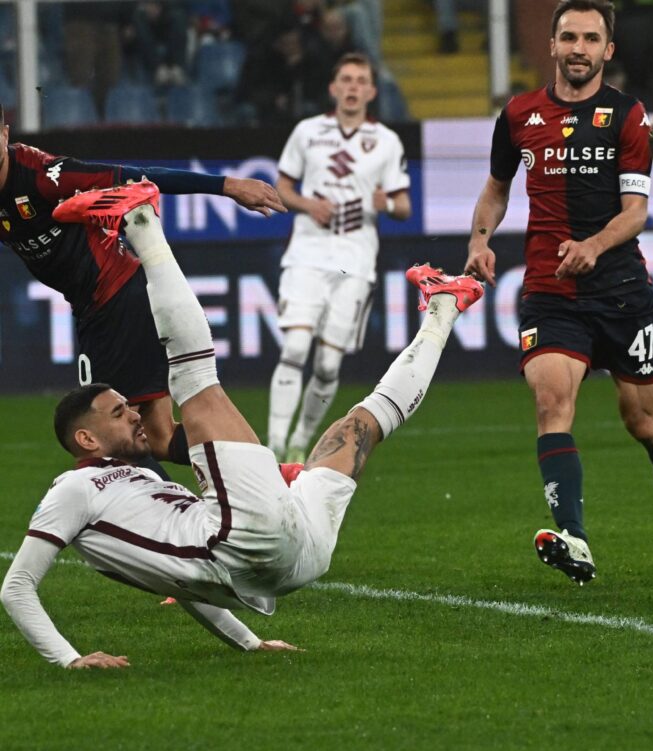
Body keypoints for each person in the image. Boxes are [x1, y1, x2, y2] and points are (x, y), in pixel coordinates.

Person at [0, 180, 484, 668]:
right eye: (118, 411)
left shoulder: (143, 478)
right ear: (85, 437)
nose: (134, 411)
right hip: (242, 542)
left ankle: (443, 307)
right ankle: (142, 223)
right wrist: (69, 659)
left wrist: (250, 643)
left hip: (294, 556)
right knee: (193, 376)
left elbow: (181, 585)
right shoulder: (73, 489)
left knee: (361, 423)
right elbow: (16, 588)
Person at [464, 0, 653, 585]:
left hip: (620, 291)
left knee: (642, 421)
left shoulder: (629, 116)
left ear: (607, 50)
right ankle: (575, 538)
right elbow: (496, 188)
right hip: (550, 288)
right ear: (552, 44)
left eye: (591, 38)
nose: (579, 48)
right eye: (569, 36)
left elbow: (636, 212)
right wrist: (480, 240)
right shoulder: (518, 114)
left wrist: (593, 245)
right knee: (551, 403)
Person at [0, 103, 285, 477]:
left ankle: (178, 528)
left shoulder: (43, 176)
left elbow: (136, 178)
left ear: (5, 133)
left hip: (115, 300)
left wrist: (227, 185)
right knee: (159, 438)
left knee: (108, 442)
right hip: (101, 304)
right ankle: (271, 473)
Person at [268, 53, 412, 462]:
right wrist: (307, 204)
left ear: (370, 90)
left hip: (356, 261)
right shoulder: (308, 132)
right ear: (334, 88)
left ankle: (301, 439)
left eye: (360, 81)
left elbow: (404, 206)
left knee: (329, 364)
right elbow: (282, 186)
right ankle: (274, 445)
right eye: (345, 79)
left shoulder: (386, 141)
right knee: (295, 348)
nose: (352, 87)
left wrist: (388, 203)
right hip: (307, 254)